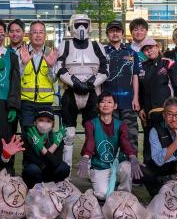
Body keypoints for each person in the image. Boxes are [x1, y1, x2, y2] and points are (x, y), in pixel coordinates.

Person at [56, 14, 108, 166]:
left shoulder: (97, 46)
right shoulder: (64, 45)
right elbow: (59, 67)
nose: (81, 28)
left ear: (89, 26)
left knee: (91, 132)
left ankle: (92, 168)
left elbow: (105, 69)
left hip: (92, 93)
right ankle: (66, 171)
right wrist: (74, 82)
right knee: (68, 134)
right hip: (70, 93)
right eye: (78, 24)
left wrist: (92, 82)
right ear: (71, 26)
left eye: (85, 24)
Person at [77, 92, 141, 201]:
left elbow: (125, 142)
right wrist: (86, 157)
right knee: (102, 195)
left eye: (109, 102)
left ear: (115, 106)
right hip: (99, 165)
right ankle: (103, 187)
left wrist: (132, 156)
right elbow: (90, 141)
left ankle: (123, 195)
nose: (106, 104)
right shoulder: (90, 124)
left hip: (116, 164)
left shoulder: (121, 124)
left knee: (127, 167)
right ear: (98, 105)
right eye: (102, 102)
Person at [138, 40, 177, 163]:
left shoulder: (168, 63)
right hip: (149, 112)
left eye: (151, 47)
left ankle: (172, 172)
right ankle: (149, 169)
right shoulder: (142, 66)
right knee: (149, 141)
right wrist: (141, 108)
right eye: (145, 49)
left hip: (167, 112)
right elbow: (141, 91)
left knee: (168, 139)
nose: (149, 51)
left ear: (157, 47)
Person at [102, 20, 141, 150]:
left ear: (122, 34)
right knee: (109, 135)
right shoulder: (102, 52)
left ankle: (131, 165)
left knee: (131, 135)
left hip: (128, 101)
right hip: (108, 102)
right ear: (107, 34)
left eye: (118, 31)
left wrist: (135, 98)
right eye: (112, 31)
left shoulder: (131, 53)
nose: (115, 34)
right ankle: (110, 165)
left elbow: (135, 76)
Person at [18, 21, 59, 130]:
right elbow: (15, 78)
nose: (38, 35)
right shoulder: (21, 52)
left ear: (45, 35)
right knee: (28, 135)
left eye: (41, 32)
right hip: (26, 102)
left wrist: (50, 67)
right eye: (34, 32)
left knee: (44, 135)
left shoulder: (51, 53)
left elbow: (54, 80)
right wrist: (23, 64)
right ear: (29, 35)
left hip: (46, 102)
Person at [22, 110, 69, 189]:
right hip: (36, 172)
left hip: (51, 173)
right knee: (32, 169)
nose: (44, 124)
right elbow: (32, 159)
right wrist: (46, 150)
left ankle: (55, 187)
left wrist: (54, 144)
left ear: (52, 125)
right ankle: (33, 189)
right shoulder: (27, 137)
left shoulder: (57, 138)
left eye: (48, 121)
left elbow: (57, 161)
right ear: (35, 123)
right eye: (41, 120)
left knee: (64, 168)